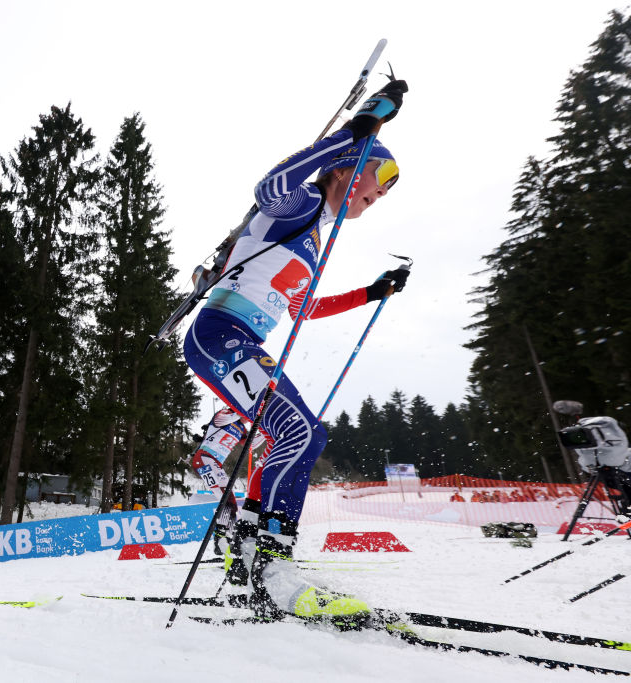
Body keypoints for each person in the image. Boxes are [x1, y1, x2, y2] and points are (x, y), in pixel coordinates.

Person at [182, 78, 409, 625]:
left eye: (377, 200)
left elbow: (305, 308)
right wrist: (354, 134)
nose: (370, 203)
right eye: (369, 189)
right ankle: (270, 566)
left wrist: (371, 293)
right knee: (300, 433)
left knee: (295, 435)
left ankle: (251, 561)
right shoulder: (301, 203)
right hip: (219, 333)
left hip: (244, 342)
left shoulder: (317, 237)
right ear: (345, 173)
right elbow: (269, 184)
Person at [190, 407, 266, 555]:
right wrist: (243, 410)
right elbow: (223, 419)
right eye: (248, 416)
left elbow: (251, 444)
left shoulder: (241, 428)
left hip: (215, 463)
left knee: (230, 502)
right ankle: (221, 539)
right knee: (226, 499)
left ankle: (227, 539)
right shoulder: (224, 414)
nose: (248, 419)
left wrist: (265, 433)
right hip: (204, 459)